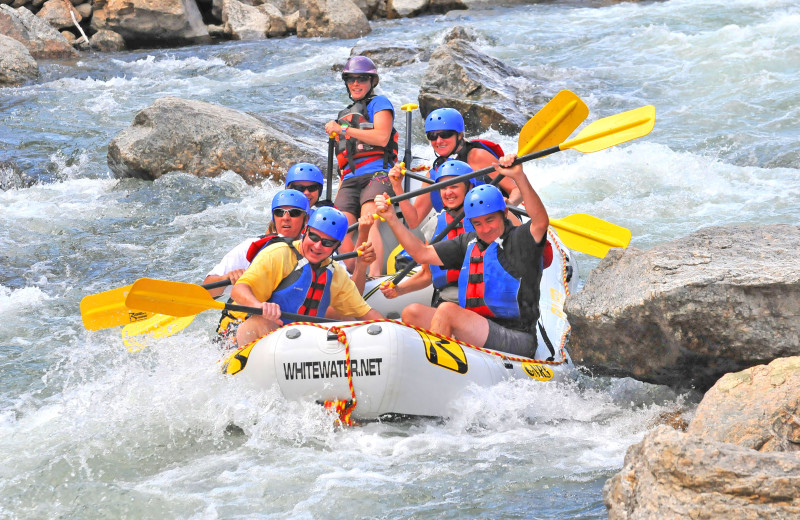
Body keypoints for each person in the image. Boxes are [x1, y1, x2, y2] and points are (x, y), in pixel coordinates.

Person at [374, 154, 549, 358]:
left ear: (503, 214)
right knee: (413, 312)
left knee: (447, 311)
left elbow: (540, 222)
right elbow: (421, 254)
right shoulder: (469, 242)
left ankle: (438, 364)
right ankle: (445, 354)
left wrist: (519, 177)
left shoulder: (520, 239)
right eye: (477, 223)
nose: (485, 229)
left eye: (490, 220)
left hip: (517, 336)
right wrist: (392, 219)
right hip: (477, 325)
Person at [204, 190, 375, 344]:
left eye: (294, 213)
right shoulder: (260, 248)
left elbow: (355, 301)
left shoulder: (328, 261)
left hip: (292, 330)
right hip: (248, 325)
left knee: (339, 313)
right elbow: (219, 291)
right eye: (279, 213)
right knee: (264, 321)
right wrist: (227, 279)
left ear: (305, 220)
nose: (286, 218)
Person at [324, 55, 398, 276]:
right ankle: (355, 274)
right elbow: (344, 162)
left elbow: (382, 137)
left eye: (361, 79)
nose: (356, 83)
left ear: (371, 81)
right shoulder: (343, 116)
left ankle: (373, 276)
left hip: (377, 174)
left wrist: (343, 130)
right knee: (339, 227)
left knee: (369, 219)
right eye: (351, 79)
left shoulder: (380, 103)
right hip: (350, 179)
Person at [386, 107, 521, 230]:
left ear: (460, 135)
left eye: (445, 134)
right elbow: (413, 221)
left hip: (493, 227)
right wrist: (397, 186)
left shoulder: (477, 156)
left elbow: (517, 190)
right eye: (432, 136)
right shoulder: (433, 174)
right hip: (459, 238)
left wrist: (509, 202)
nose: (439, 141)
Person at [379, 160, 476, 307]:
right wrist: (399, 290)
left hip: (482, 299)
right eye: (443, 187)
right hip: (448, 300)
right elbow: (426, 275)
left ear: (469, 187)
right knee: (412, 312)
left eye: (454, 186)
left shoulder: (487, 218)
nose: (448, 192)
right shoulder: (435, 224)